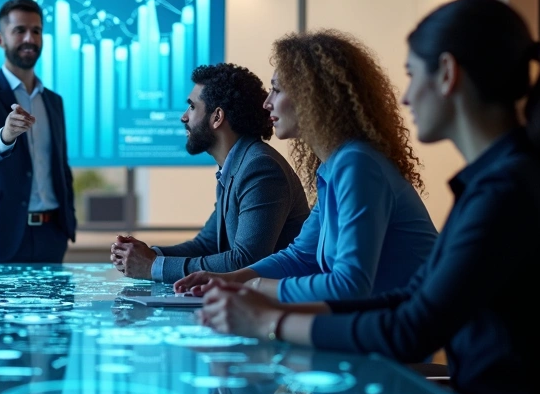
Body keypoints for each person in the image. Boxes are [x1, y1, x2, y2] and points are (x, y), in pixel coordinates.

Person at [188, 0, 540, 394]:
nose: (405, 97)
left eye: (413, 76)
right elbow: (411, 299)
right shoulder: (500, 179)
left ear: (449, 73)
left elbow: (409, 328)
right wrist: (253, 294)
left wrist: (267, 317)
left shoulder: (506, 190)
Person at [179, 31, 437, 303]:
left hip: (406, 334)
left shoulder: (357, 164)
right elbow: (300, 256)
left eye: (276, 90)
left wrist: (250, 286)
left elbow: (349, 285)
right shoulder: (334, 166)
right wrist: (230, 279)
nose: (267, 103)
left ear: (314, 96)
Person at [110, 63, 310, 283]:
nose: (183, 117)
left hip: (276, 307)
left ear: (217, 117)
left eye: (192, 107)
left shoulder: (260, 168)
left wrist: (153, 267)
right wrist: (147, 254)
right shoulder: (236, 165)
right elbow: (206, 245)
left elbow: (246, 260)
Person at [0, 0, 76, 265]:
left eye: (36, 31)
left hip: (51, 235)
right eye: (19, 30)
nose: (29, 39)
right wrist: (5, 135)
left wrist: (68, 224)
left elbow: (60, 166)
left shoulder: (53, 101)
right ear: (1, 39)